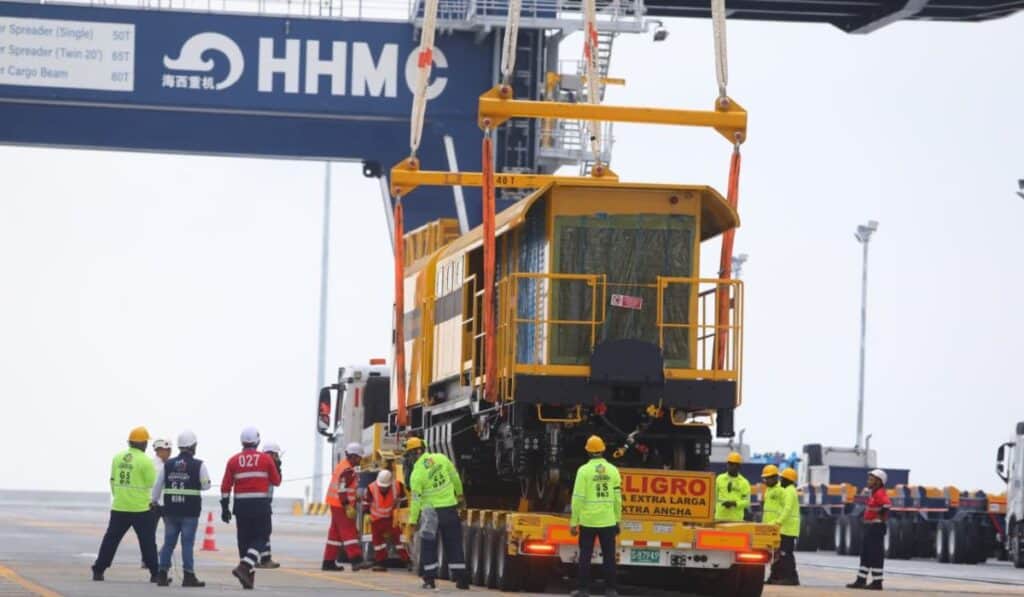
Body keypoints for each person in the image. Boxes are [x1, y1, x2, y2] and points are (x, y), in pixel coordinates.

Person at [92, 426, 160, 583]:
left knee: (111, 540)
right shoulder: (145, 461)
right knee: (147, 542)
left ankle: (98, 570)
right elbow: (151, 482)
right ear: (143, 443)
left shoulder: (117, 457)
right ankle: (155, 573)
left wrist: (119, 497)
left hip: (119, 507)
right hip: (140, 509)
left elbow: (113, 480)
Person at [220, 426, 281, 589]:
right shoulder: (265, 459)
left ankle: (248, 579)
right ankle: (244, 567)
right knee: (262, 536)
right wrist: (278, 465)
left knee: (244, 541)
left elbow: (225, 486)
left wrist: (224, 507)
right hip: (260, 505)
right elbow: (276, 481)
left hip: (241, 507)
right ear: (257, 441)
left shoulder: (233, 460)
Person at [406, 437, 468, 591]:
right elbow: (455, 477)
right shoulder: (441, 458)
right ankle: (461, 580)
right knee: (454, 544)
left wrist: (412, 522)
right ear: (424, 448)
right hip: (449, 509)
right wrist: (460, 495)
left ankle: (429, 579)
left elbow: (415, 500)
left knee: (428, 545)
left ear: (412, 455)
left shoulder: (417, 473)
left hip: (430, 513)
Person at [152, 430, 211, 588]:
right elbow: (206, 486)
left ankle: (162, 575)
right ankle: (188, 576)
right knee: (187, 544)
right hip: (190, 512)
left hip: (170, 511)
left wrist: (154, 501)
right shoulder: (199, 465)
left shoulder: (168, 464)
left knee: (169, 543)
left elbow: (158, 485)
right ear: (193, 446)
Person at [570, 435, 622, 597]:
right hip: (607, 521)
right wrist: (617, 520)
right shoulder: (613, 470)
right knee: (609, 557)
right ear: (603, 450)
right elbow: (617, 498)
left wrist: (574, 522)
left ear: (588, 451)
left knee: (585, 556)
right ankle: (611, 589)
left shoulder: (583, 471)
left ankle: (584, 589)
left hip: (588, 521)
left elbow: (577, 498)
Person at [321, 442, 372, 571]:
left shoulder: (343, 466)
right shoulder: (347, 470)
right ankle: (356, 560)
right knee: (349, 532)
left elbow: (347, 488)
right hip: (341, 505)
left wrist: (355, 497)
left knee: (335, 535)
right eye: (359, 457)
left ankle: (328, 562)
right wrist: (347, 506)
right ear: (353, 456)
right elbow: (342, 490)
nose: (360, 460)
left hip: (335, 503)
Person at [847, 469, 890, 591]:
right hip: (870, 527)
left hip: (875, 528)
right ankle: (861, 580)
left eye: (871, 480)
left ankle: (877, 583)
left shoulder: (880, 493)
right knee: (865, 554)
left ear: (878, 482)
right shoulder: (874, 493)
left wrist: (879, 516)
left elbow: (887, 505)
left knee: (875, 555)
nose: (868, 481)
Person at [362, 469, 410, 571]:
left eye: (385, 487)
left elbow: (404, 500)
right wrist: (366, 514)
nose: (383, 488)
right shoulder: (371, 488)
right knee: (378, 543)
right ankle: (380, 562)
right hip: (376, 520)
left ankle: (407, 561)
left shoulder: (397, 486)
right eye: (381, 486)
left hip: (391, 519)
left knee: (399, 540)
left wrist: (400, 510)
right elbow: (365, 504)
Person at [764, 466, 800, 586]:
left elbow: (787, 509)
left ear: (789, 480)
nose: (781, 481)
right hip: (785, 528)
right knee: (779, 555)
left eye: (783, 479)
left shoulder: (790, 491)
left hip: (788, 529)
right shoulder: (789, 490)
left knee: (786, 555)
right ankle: (776, 577)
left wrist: (778, 522)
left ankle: (792, 578)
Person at [145, 438, 173, 569]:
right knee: (149, 533)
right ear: (158, 450)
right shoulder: (150, 464)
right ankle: (148, 559)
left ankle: (163, 556)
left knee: (171, 534)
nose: (169, 452)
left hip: (167, 504)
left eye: (170, 450)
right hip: (153, 503)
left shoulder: (171, 465)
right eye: (166, 450)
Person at [257, 441, 283, 569]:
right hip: (263, 503)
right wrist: (278, 467)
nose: (278, 458)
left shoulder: (259, 462)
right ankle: (265, 559)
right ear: (271, 454)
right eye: (276, 455)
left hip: (256, 502)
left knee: (255, 532)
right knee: (265, 531)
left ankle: (252, 558)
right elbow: (277, 481)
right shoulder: (268, 464)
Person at [715, 451, 751, 522]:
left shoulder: (744, 482)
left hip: (736, 520)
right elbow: (714, 497)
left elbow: (746, 502)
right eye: (729, 464)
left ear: (738, 466)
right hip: (720, 518)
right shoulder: (719, 479)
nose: (730, 466)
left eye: (733, 464)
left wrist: (734, 503)